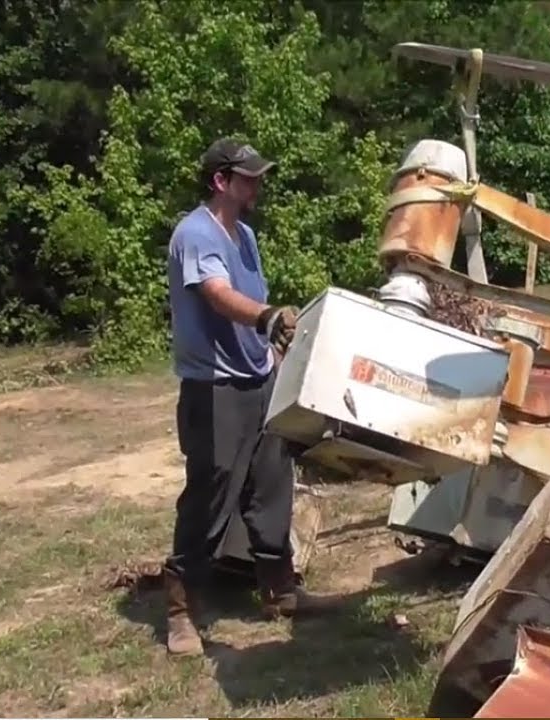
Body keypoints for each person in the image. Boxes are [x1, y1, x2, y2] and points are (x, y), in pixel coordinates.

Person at [163, 137, 339, 657]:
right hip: (214, 389)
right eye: (249, 177)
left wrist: (275, 359)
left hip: (255, 380)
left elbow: (255, 301)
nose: (257, 184)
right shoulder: (196, 233)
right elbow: (219, 296)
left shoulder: (245, 236)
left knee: (270, 486)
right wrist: (265, 317)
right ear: (221, 181)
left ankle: (280, 592)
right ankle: (179, 611)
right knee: (211, 495)